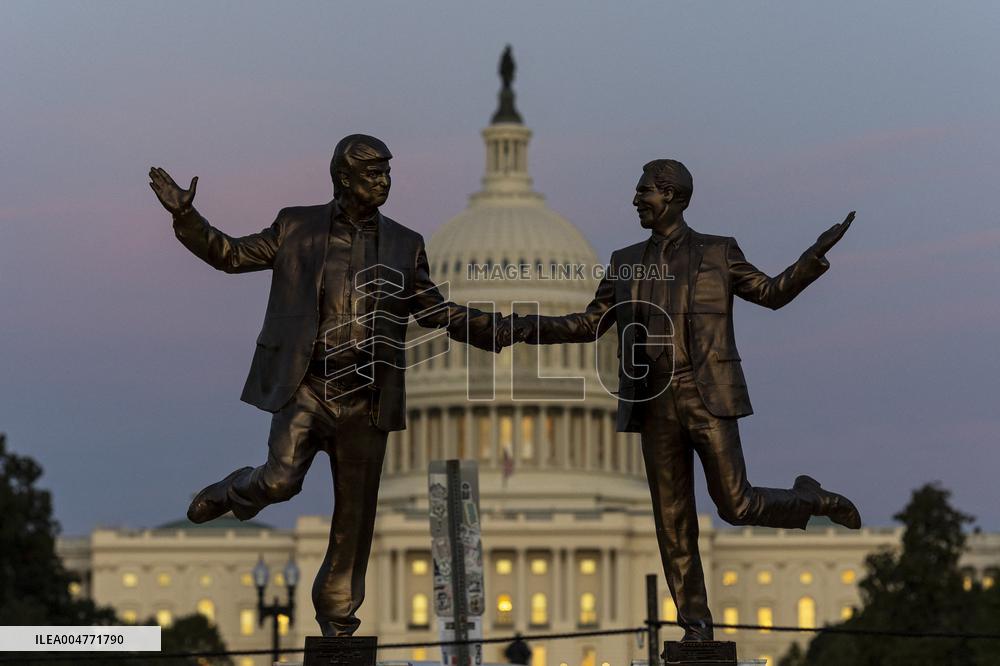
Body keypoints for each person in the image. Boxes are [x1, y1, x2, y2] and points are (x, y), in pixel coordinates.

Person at [148, 135, 502, 637]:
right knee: (279, 482)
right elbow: (231, 255)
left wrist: (508, 328)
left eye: (387, 173)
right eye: (374, 174)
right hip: (308, 385)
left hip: (367, 396)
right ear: (343, 178)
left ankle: (337, 618)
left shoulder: (405, 244)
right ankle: (232, 490)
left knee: (354, 520)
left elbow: (437, 312)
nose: (384, 182)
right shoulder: (297, 226)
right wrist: (187, 217)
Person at [499, 159, 861, 641]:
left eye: (643, 191)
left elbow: (771, 293)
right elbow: (588, 324)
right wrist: (523, 326)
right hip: (654, 401)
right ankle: (697, 628)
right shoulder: (625, 260)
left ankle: (811, 499)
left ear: (669, 195)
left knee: (736, 505)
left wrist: (812, 258)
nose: (635, 201)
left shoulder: (718, 252)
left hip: (706, 393)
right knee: (673, 524)